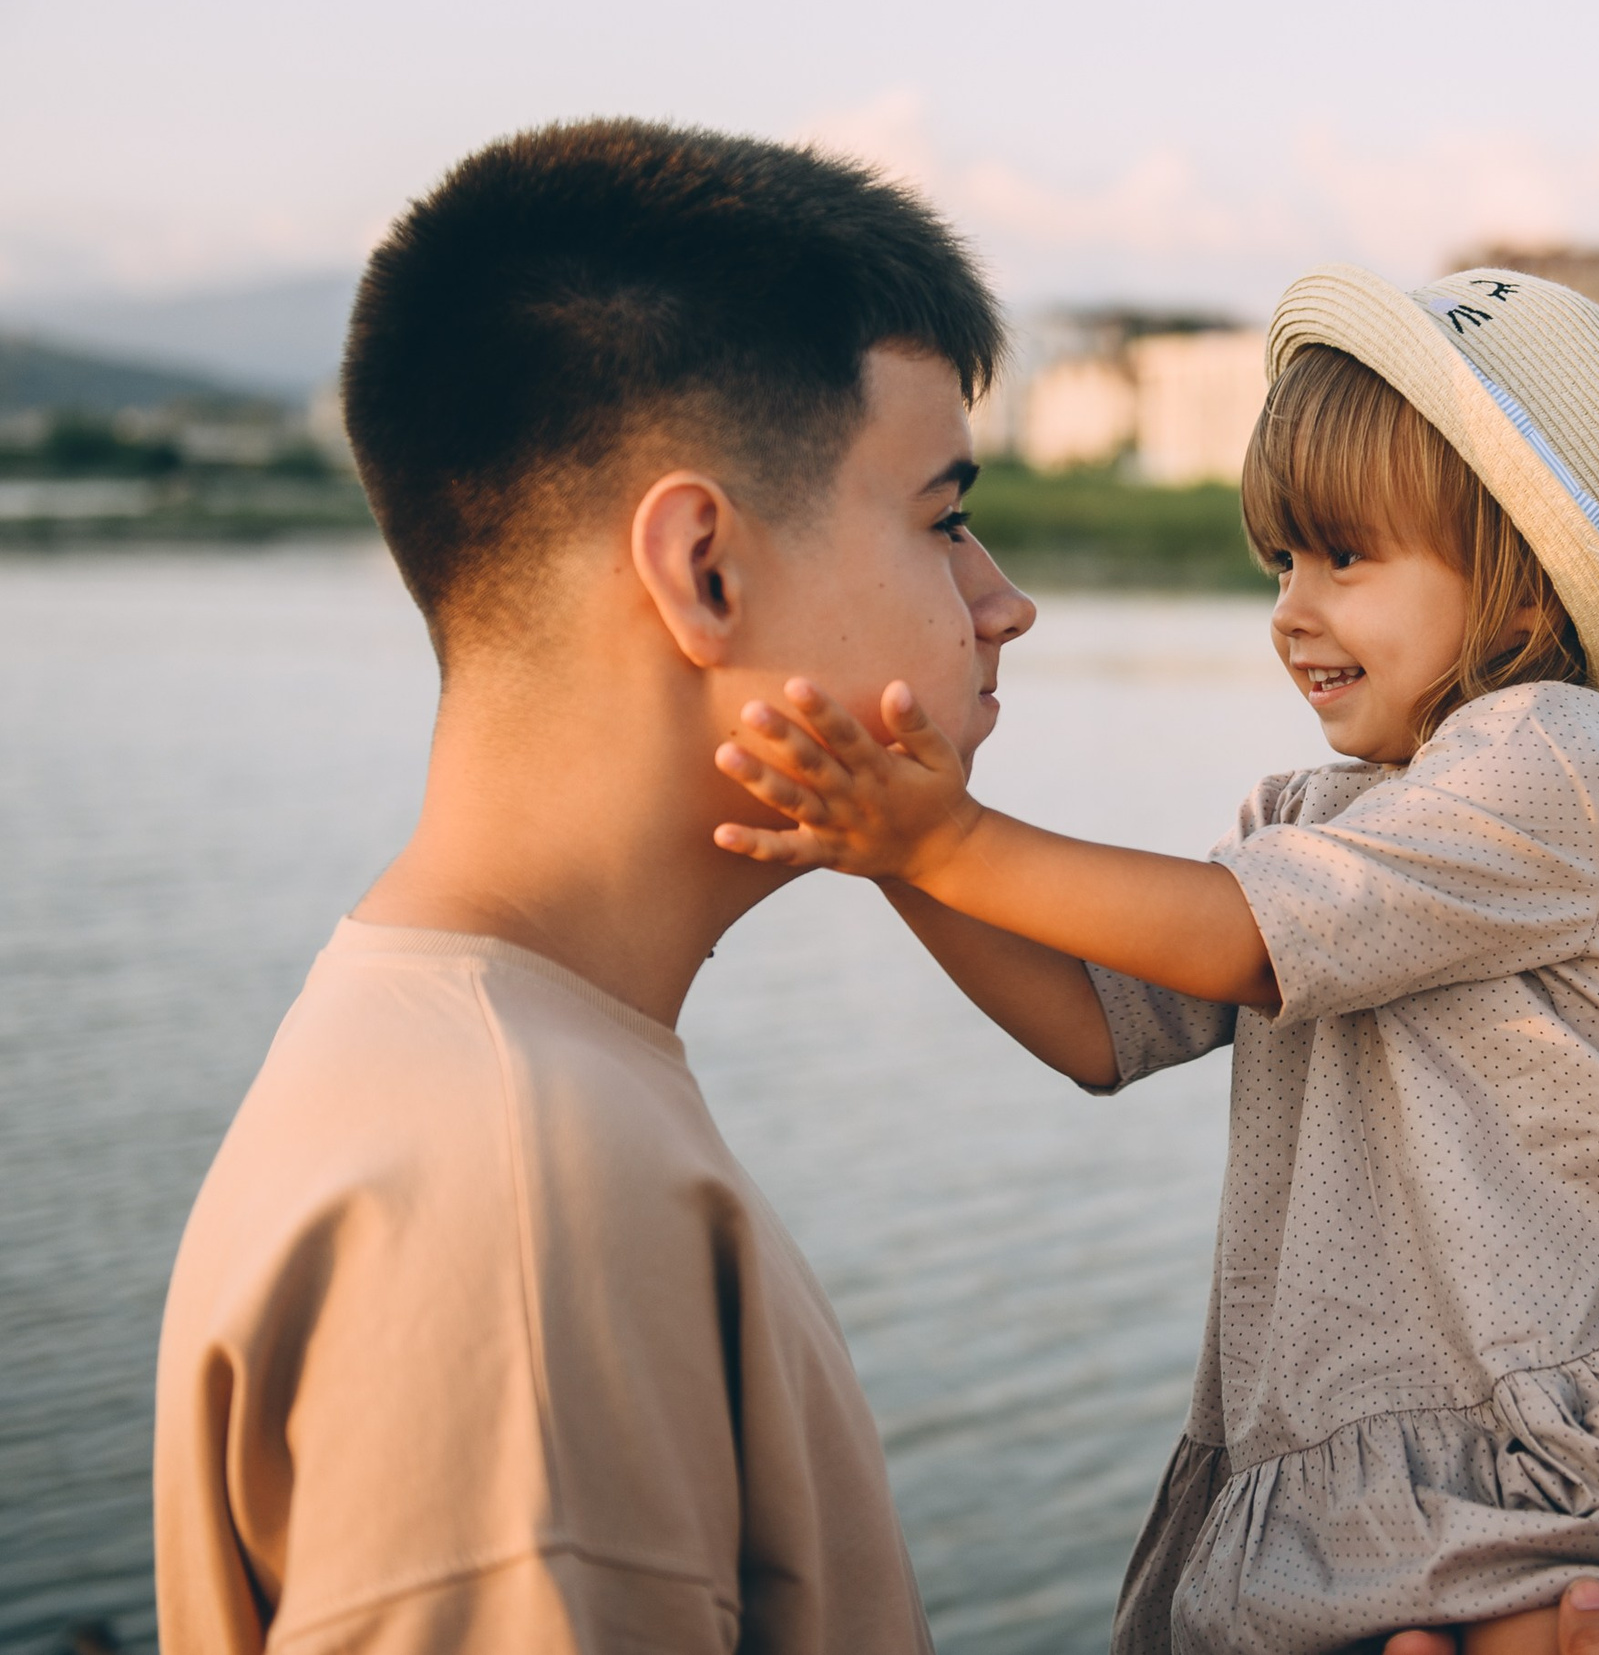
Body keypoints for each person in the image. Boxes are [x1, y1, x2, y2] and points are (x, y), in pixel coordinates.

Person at [709, 264, 1599, 1655]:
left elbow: (1238, 938)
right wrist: (895, 857)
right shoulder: (1321, 818)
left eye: (1346, 558)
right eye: (1282, 559)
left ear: (1520, 569)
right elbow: (1097, 1027)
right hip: (1412, 1443)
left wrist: (946, 839)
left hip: (1582, 1428)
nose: (1291, 610)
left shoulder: (1548, 766)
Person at [152, 119, 1036, 1651]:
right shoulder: (513, 1200)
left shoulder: (480, 1085)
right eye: (945, 518)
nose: (1003, 601)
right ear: (703, 568)